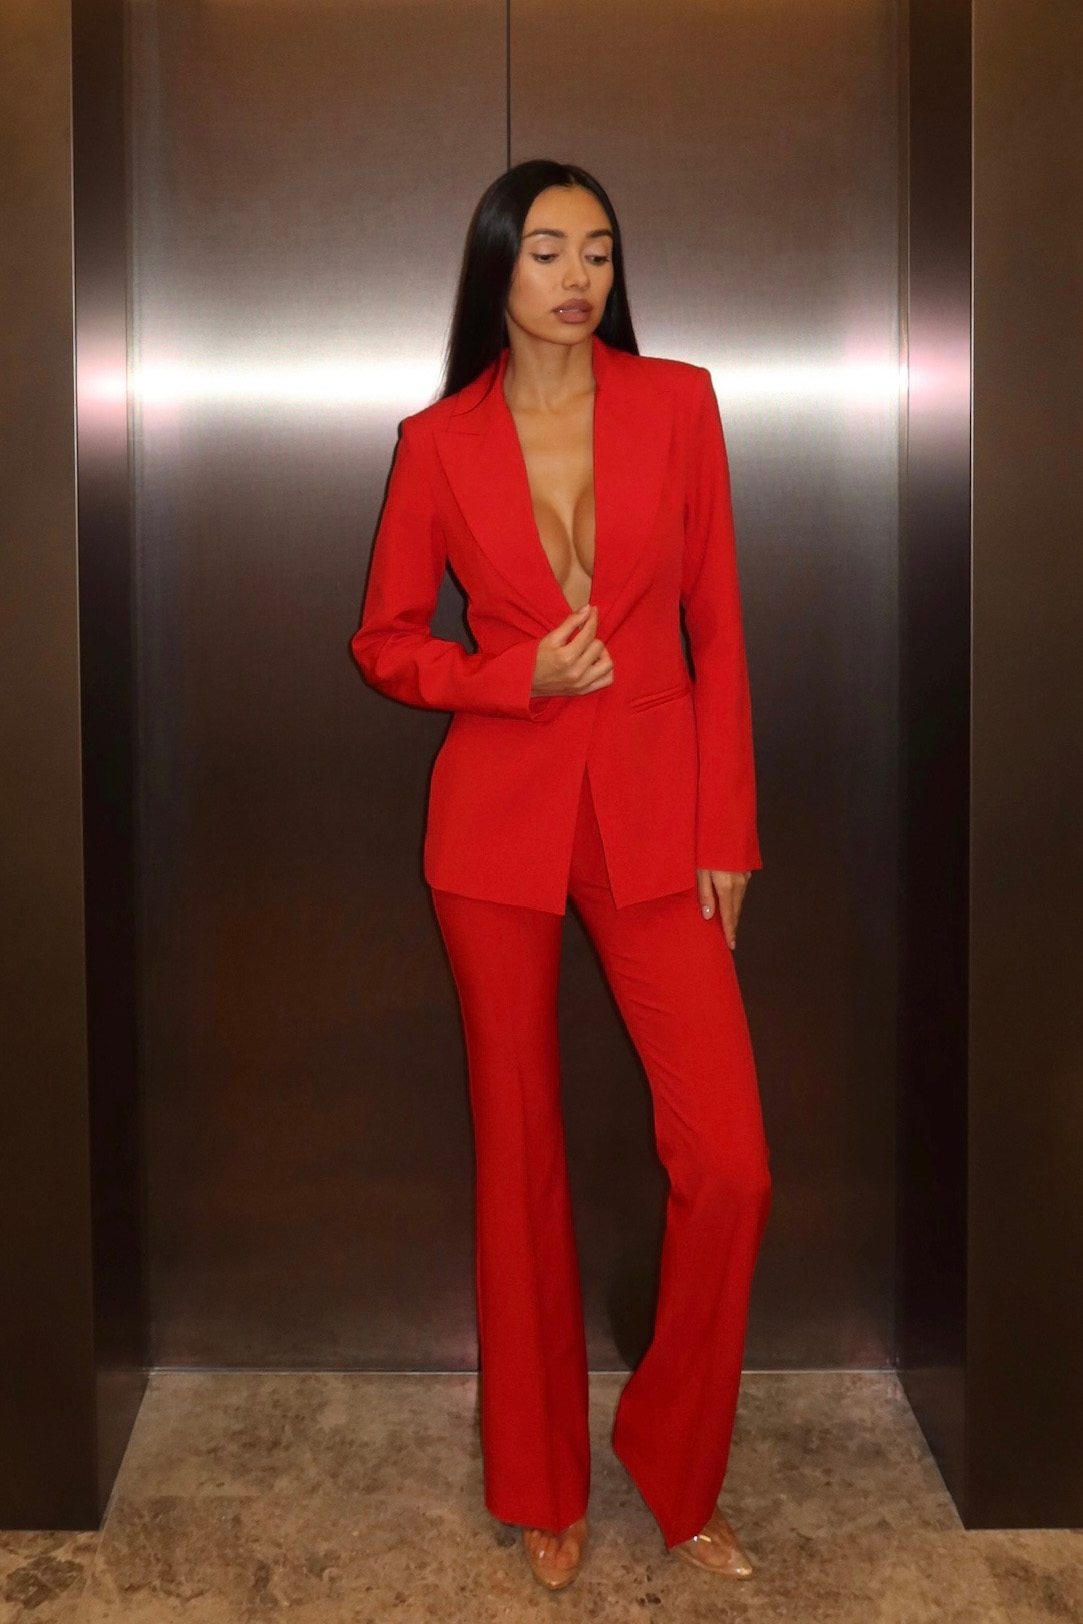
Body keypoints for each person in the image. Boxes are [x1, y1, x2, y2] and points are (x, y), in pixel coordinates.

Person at [351, 159, 772, 1591]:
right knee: (517, 1150)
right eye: (547, 250)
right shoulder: (436, 443)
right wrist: (509, 676)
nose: (579, 275)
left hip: (657, 818)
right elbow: (386, 641)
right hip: (496, 826)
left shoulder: (680, 404)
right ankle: (542, 1483)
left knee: (731, 1162)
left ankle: (675, 1461)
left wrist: (727, 829)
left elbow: (719, 625)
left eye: (598, 249)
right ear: (499, 268)